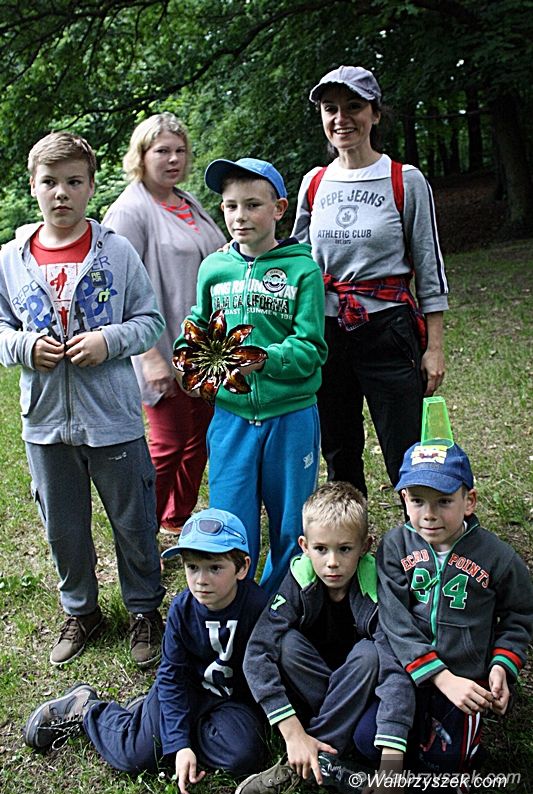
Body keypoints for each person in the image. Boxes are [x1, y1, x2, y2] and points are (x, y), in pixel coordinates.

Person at [0, 132, 166, 668]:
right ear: (33, 186)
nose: (61, 193)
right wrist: (25, 347)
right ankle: (81, 611)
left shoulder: (116, 252)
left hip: (113, 418)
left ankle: (144, 609)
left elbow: (150, 321)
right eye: (49, 182)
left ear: (92, 186)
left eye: (74, 182)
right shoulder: (11, 259)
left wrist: (108, 341)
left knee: (134, 521)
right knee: (63, 527)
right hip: (46, 422)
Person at [23, 508, 268, 794]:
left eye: (215, 568)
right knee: (136, 755)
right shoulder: (181, 610)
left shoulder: (258, 607)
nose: (201, 579)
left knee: (244, 756)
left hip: (230, 701)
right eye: (192, 567)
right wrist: (179, 745)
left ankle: (158, 724)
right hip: (185, 693)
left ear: (242, 568)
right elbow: (172, 676)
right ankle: (86, 708)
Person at [292, 65, 449, 498]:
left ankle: (418, 531)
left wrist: (434, 347)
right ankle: (346, 534)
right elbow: (297, 260)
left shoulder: (405, 180)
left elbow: (429, 266)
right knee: (339, 448)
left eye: (354, 107)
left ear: (375, 114)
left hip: (388, 329)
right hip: (327, 330)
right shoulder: (314, 182)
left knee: (406, 447)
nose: (341, 118)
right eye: (330, 109)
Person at [175, 157, 327, 596]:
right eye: (230, 206)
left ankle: (282, 606)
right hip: (232, 418)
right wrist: (187, 359)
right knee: (229, 519)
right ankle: (234, 606)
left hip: (291, 416)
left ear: (279, 209)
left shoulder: (303, 270)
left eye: (253, 205)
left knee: (292, 521)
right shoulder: (213, 268)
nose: (240, 216)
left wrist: (264, 359)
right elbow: (197, 325)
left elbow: (312, 347)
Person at [234, 482, 414, 794]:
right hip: (314, 687)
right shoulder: (299, 579)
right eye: (321, 549)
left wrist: (391, 763)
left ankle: (301, 765)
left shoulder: (376, 588)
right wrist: (292, 732)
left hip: (360, 690)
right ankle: (318, 750)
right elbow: (257, 651)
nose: (332, 562)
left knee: (370, 654)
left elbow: (396, 665)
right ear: (304, 546)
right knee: (286, 645)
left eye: (344, 549)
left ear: (365, 546)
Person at [376, 441, 533, 785]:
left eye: (444, 501)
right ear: (403, 499)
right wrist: (438, 676)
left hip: (466, 679)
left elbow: (520, 615)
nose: (429, 514)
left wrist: (501, 666)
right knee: (366, 742)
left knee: (440, 773)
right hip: (408, 673)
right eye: (417, 501)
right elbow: (394, 620)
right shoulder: (394, 546)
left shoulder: (498, 557)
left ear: (469, 501)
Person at [103, 113, 226, 537]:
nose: (173, 159)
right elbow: (115, 290)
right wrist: (150, 355)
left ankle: (177, 518)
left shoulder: (186, 201)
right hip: (160, 346)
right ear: (141, 156)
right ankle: (141, 532)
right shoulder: (129, 211)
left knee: (199, 438)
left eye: (180, 150)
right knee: (169, 443)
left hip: (204, 348)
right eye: (162, 151)